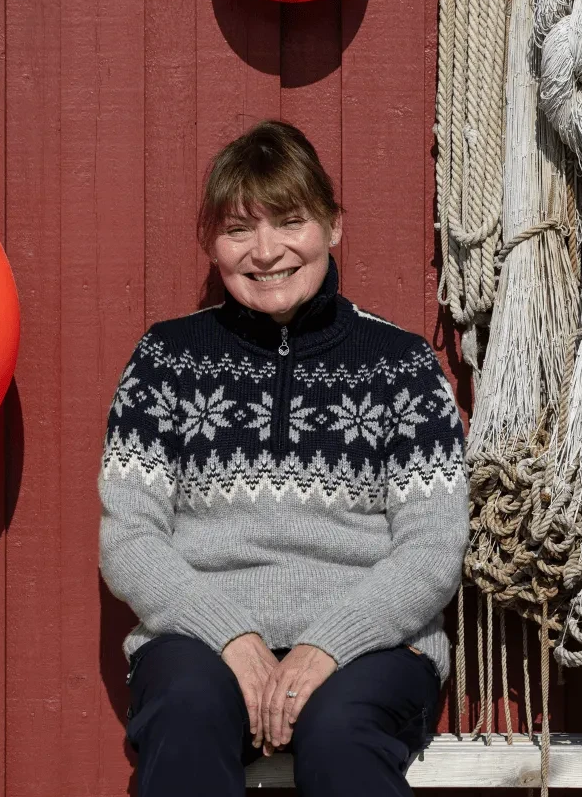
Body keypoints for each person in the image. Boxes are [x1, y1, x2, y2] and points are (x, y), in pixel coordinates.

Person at [99, 120, 468, 797]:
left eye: (290, 221)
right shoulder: (165, 361)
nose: (266, 252)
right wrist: (229, 636)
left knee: (340, 733)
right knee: (186, 708)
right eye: (239, 230)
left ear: (333, 226)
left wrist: (327, 644)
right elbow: (130, 539)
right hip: (200, 643)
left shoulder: (402, 366)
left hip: (371, 647)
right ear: (211, 243)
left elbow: (432, 549)